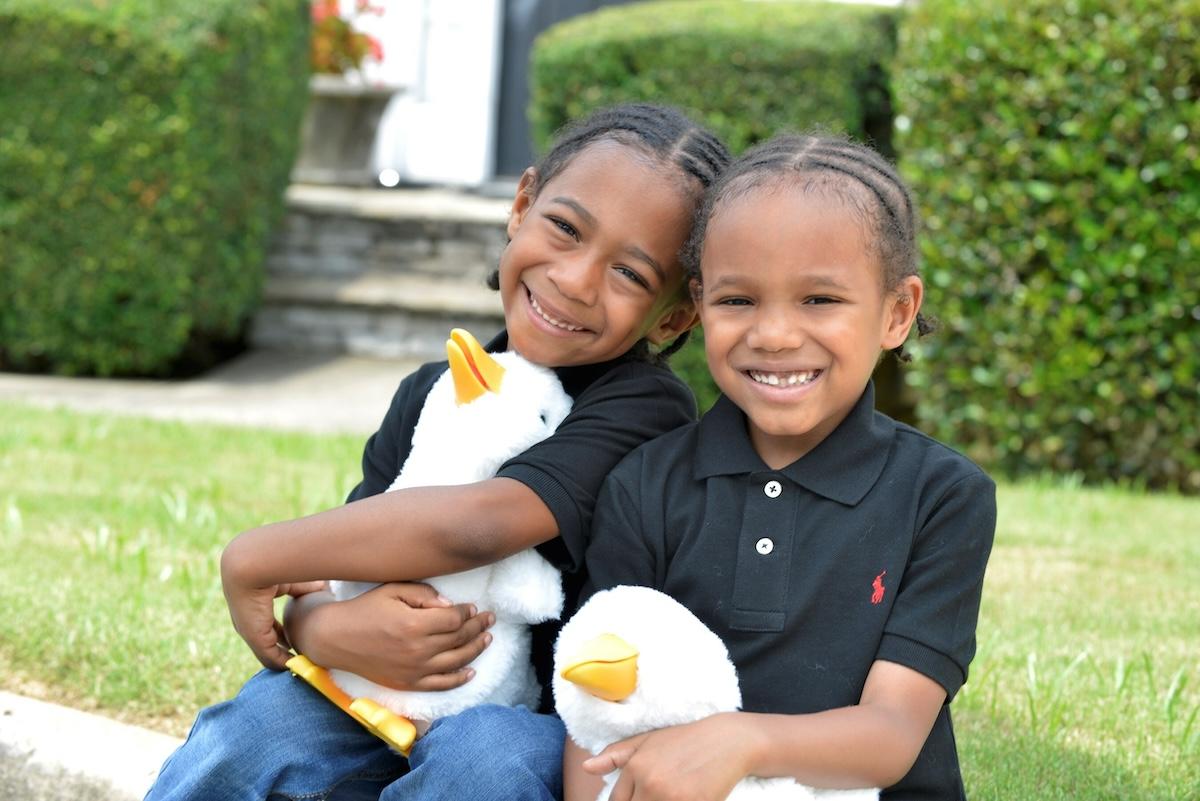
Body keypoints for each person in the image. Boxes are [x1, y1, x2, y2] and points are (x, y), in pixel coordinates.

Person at [145, 103, 730, 801]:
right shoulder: (435, 390)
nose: (576, 280)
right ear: (521, 205)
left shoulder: (644, 408)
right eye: (565, 229)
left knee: (480, 765)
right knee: (248, 740)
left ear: (671, 316)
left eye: (629, 274)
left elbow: (479, 523)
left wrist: (255, 556)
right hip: (377, 695)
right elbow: (346, 568)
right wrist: (318, 625)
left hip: (535, 722)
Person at [564, 133, 997, 801]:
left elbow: (891, 731)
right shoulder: (643, 485)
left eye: (819, 300)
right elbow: (595, 718)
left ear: (897, 312)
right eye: (737, 300)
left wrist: (742, 742)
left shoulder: (942, 495)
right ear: (701, 303)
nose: (773, 335)